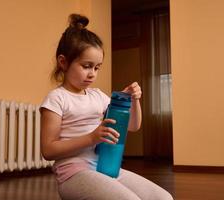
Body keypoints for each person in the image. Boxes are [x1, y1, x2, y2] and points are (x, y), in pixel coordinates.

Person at [40, 13, 173, 200]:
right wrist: (92, 137)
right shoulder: (57, 99)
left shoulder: (98, 96)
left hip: (104, 167)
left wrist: (133, 101)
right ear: (63, 62)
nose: (92, 74)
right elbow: (48, 150)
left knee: (163, 198)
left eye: (97, 67)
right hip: (73, 173)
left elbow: (132, 126)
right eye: (86, 66)